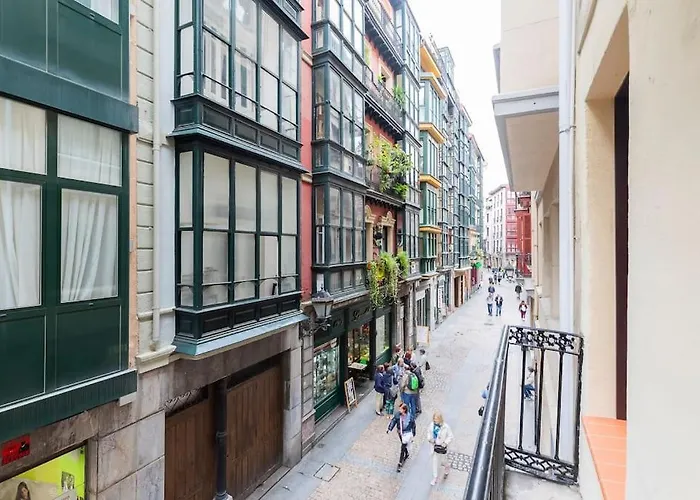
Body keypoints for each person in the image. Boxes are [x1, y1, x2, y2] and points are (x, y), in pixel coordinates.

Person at [427, 411, 454, 486]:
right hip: (434, 447)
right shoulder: (432, 425)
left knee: (443, 461)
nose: (435, 420)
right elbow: (428, 432)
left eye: (436, 418)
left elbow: (450, 436)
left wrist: (445, 443)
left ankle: (447, 466)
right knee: (435, 462)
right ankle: (435, 477)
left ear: (440, 419)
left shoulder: (446, 427)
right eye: (434, 418)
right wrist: (430, 439)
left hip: (442, 447)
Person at [387, 403, 416, 472]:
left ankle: (400, 462)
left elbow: (413, 425)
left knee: (403, 447)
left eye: (400, 409)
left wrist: (413, 433)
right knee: (403, 445)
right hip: (400, 433)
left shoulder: (410, 417)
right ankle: (406, 453)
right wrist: (389, 428)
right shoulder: (398, 415)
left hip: (407, 433)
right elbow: (393, 421)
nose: (399, 410)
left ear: (404, 410)